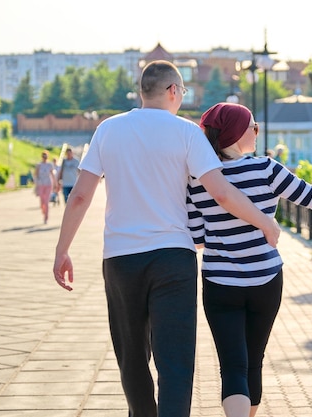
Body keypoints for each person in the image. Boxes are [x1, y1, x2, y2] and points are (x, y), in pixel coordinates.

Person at [52, 60, 280, 417]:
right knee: (175, 359)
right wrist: (265, 222)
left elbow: (80, 195)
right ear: (173, 90)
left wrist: (62, 250)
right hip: (173, 258)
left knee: (131, 354)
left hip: (121, 258)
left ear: (143, 91)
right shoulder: (187, 132)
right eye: (182, 91)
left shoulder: (108, 129)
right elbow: (221, 192)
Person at [186, 102, 312, 417]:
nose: (257, 131)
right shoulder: (267, 169)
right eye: (253, 126)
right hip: (266, 280)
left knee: (233, 367)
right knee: (254, 361)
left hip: (220, 281)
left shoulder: (199, 179)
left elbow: (198, 238)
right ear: (239, 132)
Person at [34, 150, 57, 224]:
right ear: (42, 157)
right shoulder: (39, 165)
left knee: (46, 202)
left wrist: (55, 184)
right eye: (43, 156)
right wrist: (36, 186)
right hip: (41, 184)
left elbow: (52, 175)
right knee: (42, 202)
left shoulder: (50, 165)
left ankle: (46, 217)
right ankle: (44, 211)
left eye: (46, 156)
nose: (45, 157)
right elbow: (36, 175)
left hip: (48, 184)